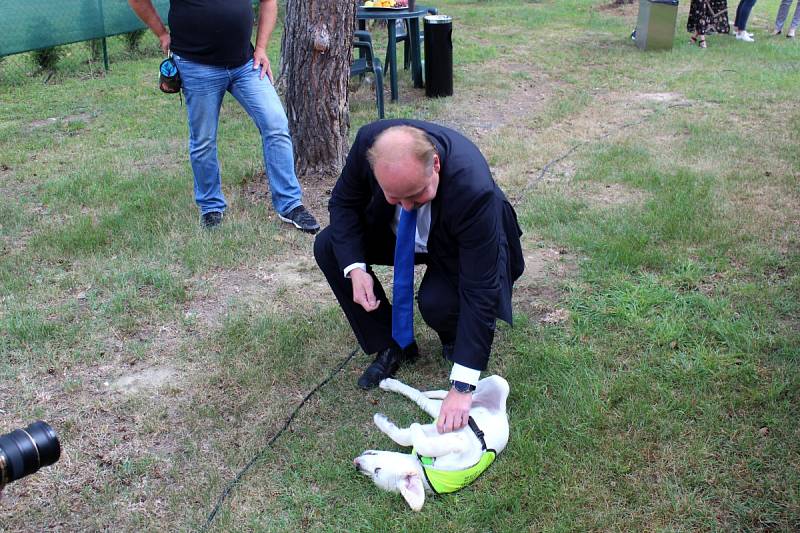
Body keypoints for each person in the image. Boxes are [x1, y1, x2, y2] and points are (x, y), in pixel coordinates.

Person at [314, 120, 524, 434]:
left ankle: (454, 336)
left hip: (454, 241)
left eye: (416, 194)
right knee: (331, 246)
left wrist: (463, 386)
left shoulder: (473, 188)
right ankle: (390, 343)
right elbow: (343, 203)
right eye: (396, 198)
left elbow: (480, 289)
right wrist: (355, 269)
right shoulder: (369, 147)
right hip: (398, 235)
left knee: (437, 302)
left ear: (435, 165)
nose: (408, 206)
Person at [128, 0, 319, 232]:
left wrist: (261, 48)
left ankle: (290, 205)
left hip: (245, 64)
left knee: (276, 123)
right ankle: (210, 207)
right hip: (196, 66)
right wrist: (161, 34)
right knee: (204, 140)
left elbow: (269, 1)